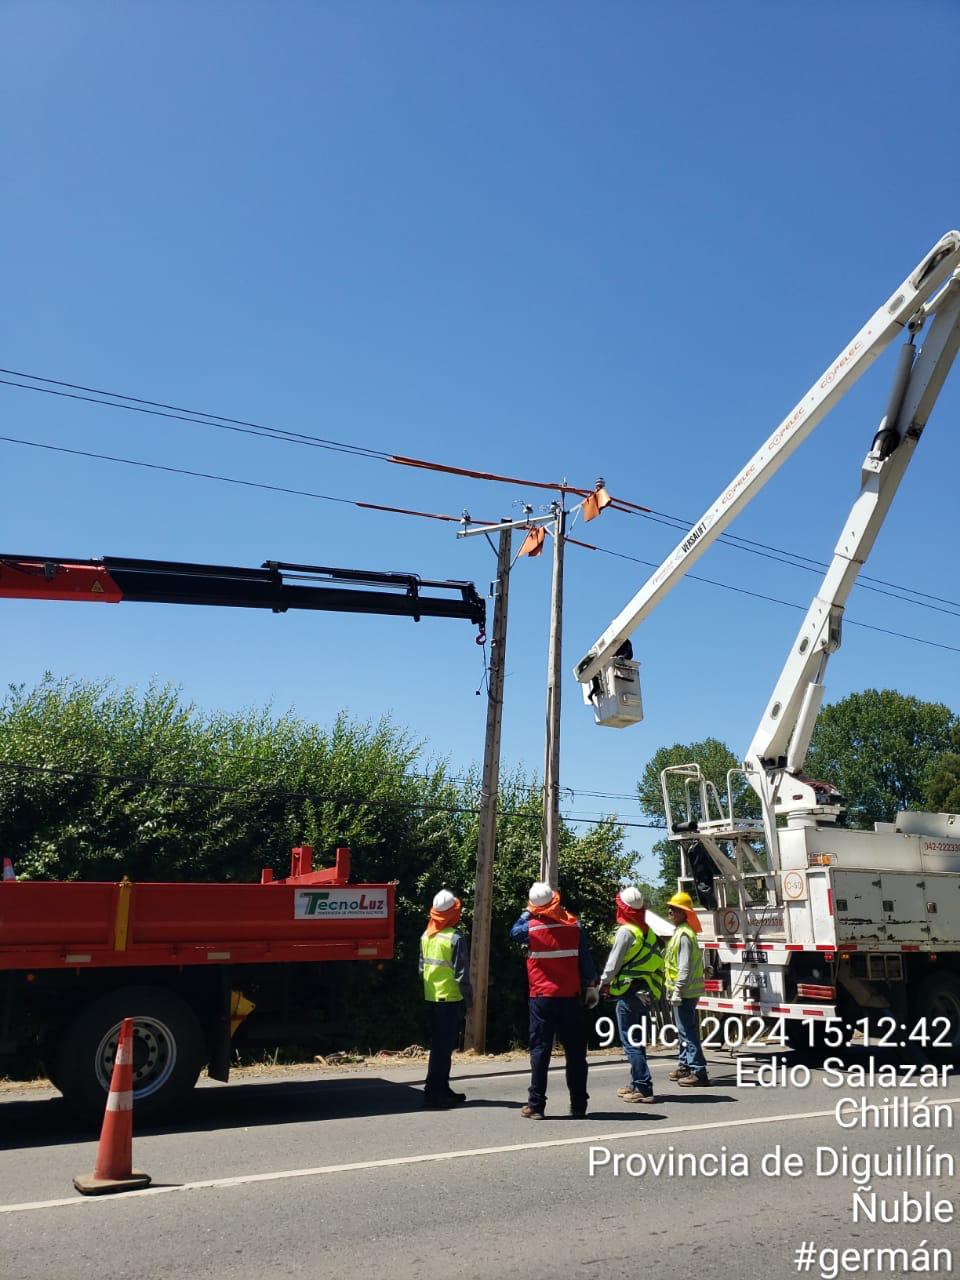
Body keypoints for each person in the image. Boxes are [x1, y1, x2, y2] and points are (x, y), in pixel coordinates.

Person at [510, 881, 599, 1119]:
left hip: (542, 998)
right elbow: (586, 960)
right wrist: (591, 985)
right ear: (555, 901)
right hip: (570, 997)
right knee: (576, 1054)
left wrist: (528, 911)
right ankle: (579, 1105)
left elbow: (514, 931)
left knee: (540, 1052)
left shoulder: (530, 929)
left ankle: (536, 1105)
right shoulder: (574, 926)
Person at [598, 886, 664, 1103]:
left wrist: (603, 984)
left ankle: (643, 1088)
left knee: (631, 1041)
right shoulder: (647, 931)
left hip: (629, 992)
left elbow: (613, 963)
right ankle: (635, 1084)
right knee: (637, 1039)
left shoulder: (627, 932)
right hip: (645, 991)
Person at [419, 889, 472, 1108]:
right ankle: (435, 1092)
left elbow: (421, 969)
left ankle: (440, 1088)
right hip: (449, 999)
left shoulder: (427, 935)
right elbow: (462, 975)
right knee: (443, 1049)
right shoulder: (454, 938)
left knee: (438, 1047)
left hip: (431, 997)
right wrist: (470, 1002)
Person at [663, 891, 709, 1086]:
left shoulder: (683, 935)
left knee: (687, 1032)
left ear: (683, 913)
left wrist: (678, 991)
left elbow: (684, 967)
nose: (669, 911)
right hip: (684, 991)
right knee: (684, 1031)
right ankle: (685, 1066)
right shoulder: (682, 932)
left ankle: (699, 1071)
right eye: (670, 908)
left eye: (674, 909)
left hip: (684, 993)